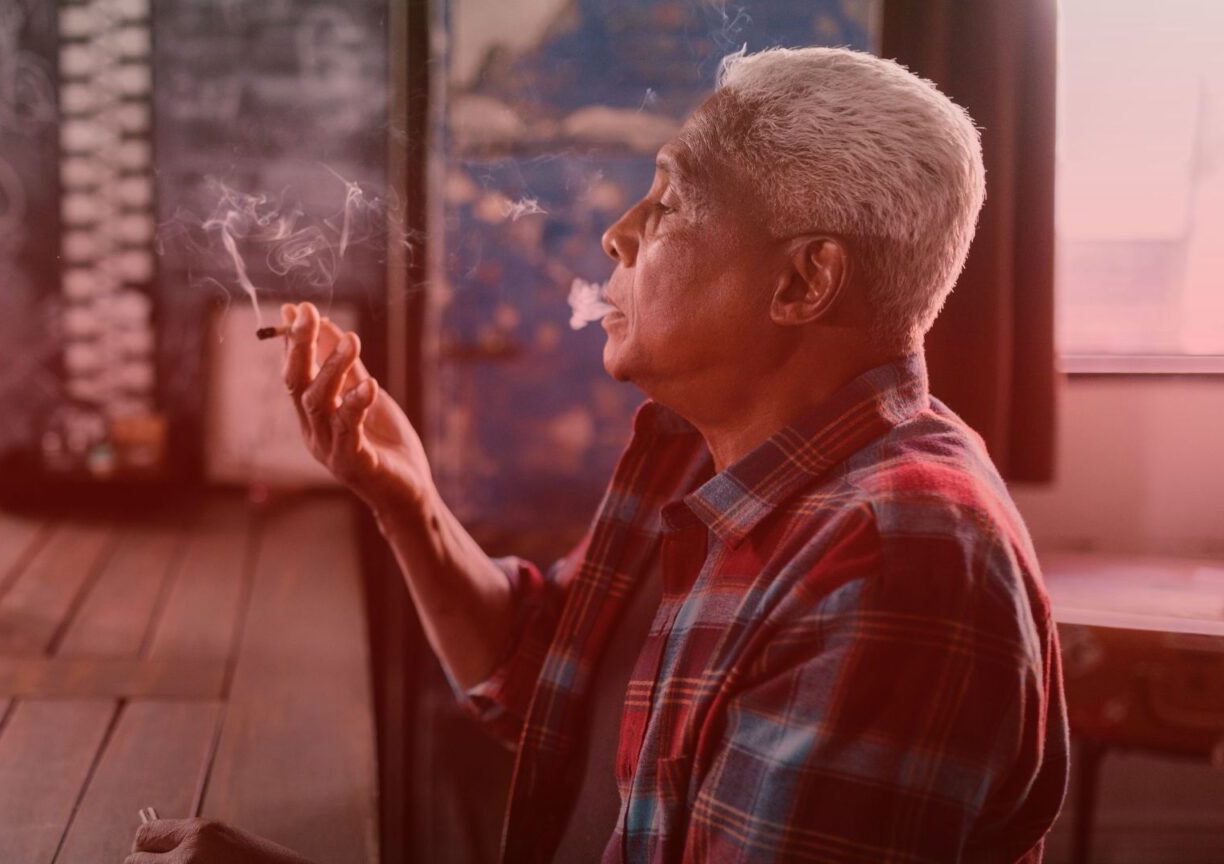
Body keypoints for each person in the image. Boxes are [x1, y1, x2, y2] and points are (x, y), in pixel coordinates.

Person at [129, 45, 1068, 864]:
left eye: (669, 201)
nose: (617, 232)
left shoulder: (896, 555)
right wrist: (404, 499)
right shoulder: (699, 452)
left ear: (802, 279)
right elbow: (545, 688)